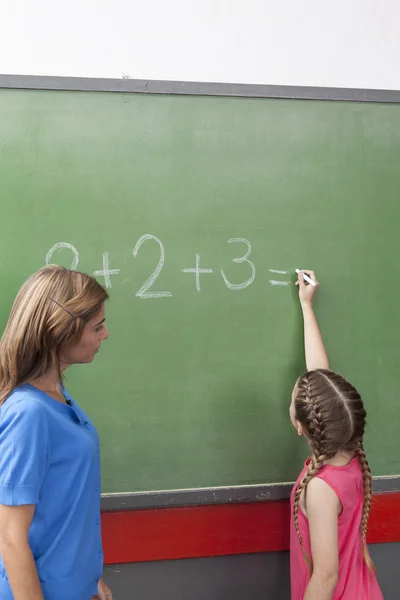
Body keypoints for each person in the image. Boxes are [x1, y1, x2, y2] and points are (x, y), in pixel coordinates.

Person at [0, 265, 112, 600]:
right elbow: (9, 535)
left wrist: (90, 578)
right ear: (61, 331)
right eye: (97, 327)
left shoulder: (59, 397)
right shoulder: (28, 412)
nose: (105, 335)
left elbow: (66, 503)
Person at [290, 270, 383, 600]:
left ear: (300, 425)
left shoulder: (320, 486)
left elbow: (326, 577)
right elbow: (320, 377)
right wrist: (306, 306)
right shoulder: (351, 455)